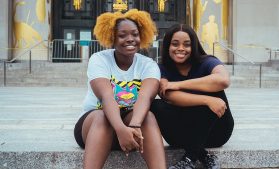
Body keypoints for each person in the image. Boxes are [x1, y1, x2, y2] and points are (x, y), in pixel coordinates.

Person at [74, 9, 166, 169]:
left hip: (131, 126)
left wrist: (135, 125)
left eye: (135, 34)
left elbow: (145, 97)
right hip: (94, 128)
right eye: (122, 35)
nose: (130, 39)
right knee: (103, 117)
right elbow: (106, 97)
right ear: (112, 37)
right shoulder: (99, 59)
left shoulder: (148, 65)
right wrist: (120, 129)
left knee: (148, 117)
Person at [150, 24, 234, 169]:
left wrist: (179, 84)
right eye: (175, 44)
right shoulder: (161, 68)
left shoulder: (207, 61)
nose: (181, 48)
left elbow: (223, 80)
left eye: (187, 44)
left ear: (194, 46)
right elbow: (168, 95)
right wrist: (207, 100)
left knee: (215, 89)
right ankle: (203, 155)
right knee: (155, 105)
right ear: (168, 46)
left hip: (216, 132)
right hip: (181, 133)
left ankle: (189, 159)